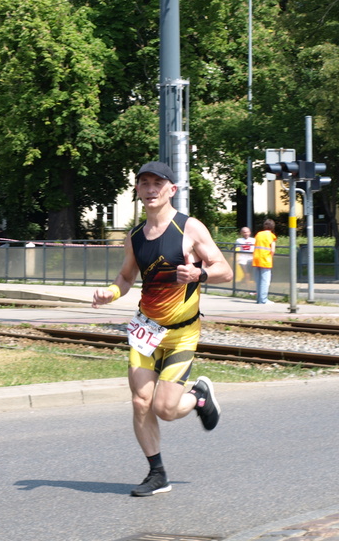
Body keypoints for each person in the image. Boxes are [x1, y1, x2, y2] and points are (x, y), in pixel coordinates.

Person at [92, 161, 233, 497]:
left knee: (165, 409)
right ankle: (157, 474)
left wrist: (199, 275)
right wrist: (110, 293)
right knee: (141, 402)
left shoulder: (190, 229)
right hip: (146, 330)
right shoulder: (135, 237)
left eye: (159, 183)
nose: (151, 189)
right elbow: (127, 277)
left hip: (182, 332)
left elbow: (225, 270)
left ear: (172, 189)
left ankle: (198, 397)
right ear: (138, 190)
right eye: (145, 183)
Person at [252, 219, 277, 304]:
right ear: (272, 227)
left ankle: (259, 299)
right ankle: (263, 300)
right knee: (265, 281)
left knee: (258, 281)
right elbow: (272, 250)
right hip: (265, 260)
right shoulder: (271, 236)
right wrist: (270, 257)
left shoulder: (258, 234)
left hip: (256, 259)